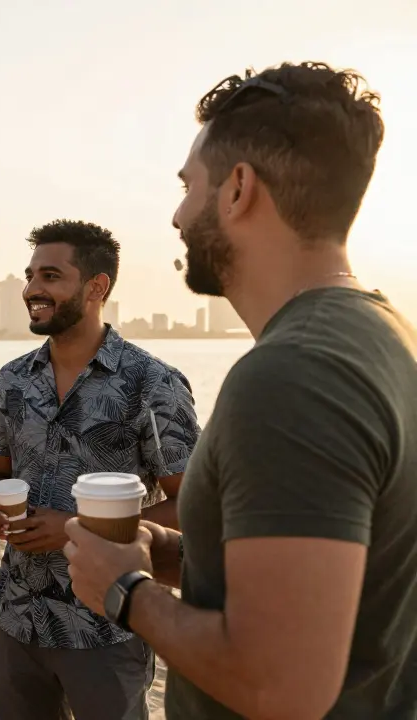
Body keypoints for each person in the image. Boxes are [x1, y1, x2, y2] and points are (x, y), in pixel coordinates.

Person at [64, 62, 417, 720]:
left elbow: (279, 686)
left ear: (238, 191)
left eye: (187, 185)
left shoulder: (295, 375)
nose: (175, 213)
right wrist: (168, 554)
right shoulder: (385, 334)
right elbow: (331, 565)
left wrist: (126, 593)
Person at [0, 219, 200, 720]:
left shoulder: (153, 383)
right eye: (30, 275)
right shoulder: (13, 380)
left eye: (51, 276)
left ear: (97, 287)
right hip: (14, 618)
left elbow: (195, 506)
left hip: (105, 624)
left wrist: (79, 531)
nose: (32, 289)